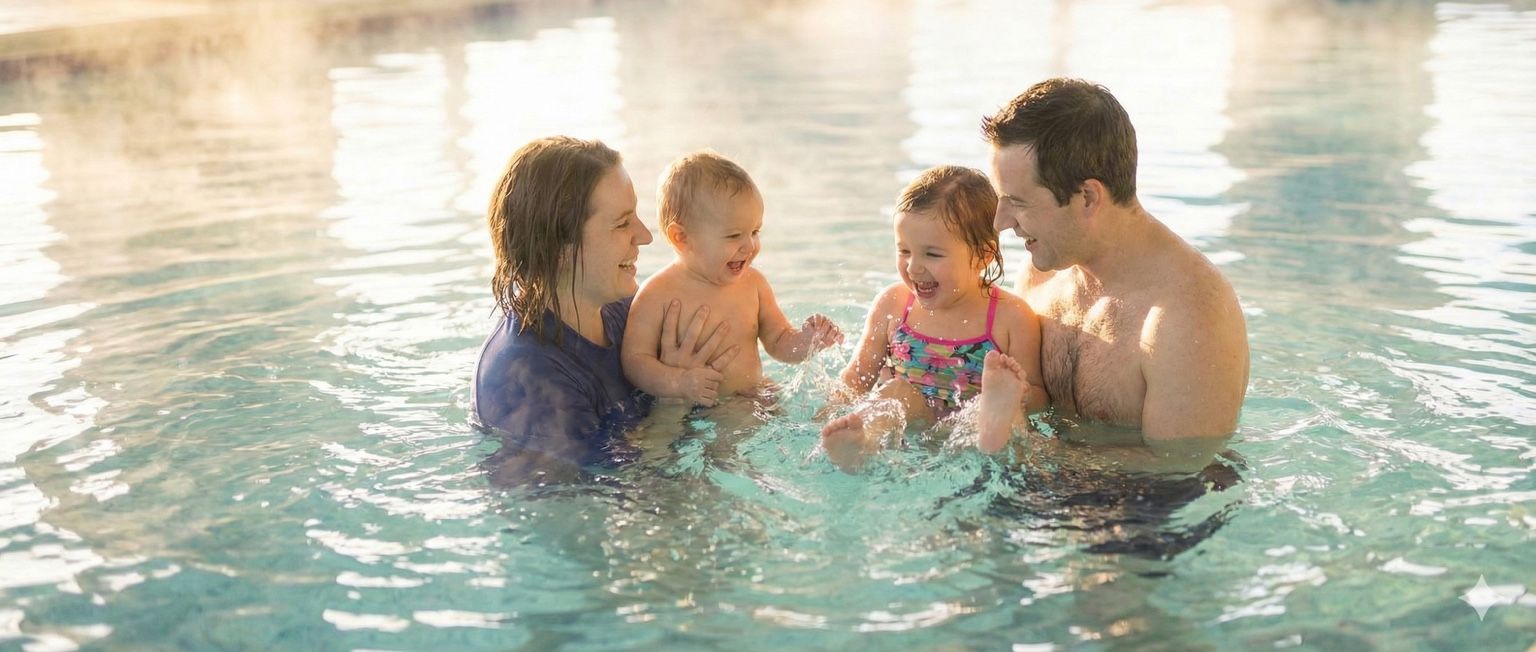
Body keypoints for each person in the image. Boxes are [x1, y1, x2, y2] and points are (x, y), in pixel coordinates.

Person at [983, 78, 1249, 446]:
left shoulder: (1188, 312)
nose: (1001, 222)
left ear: (1088, 197)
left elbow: (1179, 474)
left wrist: (1033, 458)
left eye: (1019, 202)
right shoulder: (1039, 278)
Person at [471, 136, 737, 485]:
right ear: (559, 248)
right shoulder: (524, 378)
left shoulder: (625, 309)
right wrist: (672, 403)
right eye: (622, 223)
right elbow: (613, 495)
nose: (644, 236)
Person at [819, 165, 1048, 471]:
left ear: (983, 256)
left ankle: (993, 426)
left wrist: (1017, 395)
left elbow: (1041, 397)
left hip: (970, 427)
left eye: (932, 254)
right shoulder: (894, 304)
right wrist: (829, 412)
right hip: (910, 430)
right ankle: (863, 442)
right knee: (896, 393)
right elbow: (856, 376)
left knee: (1003, 412)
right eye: (904, 251)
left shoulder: (1010, 317)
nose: (913, 268)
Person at [622, 151, 842, 406]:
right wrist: (678, 382)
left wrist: (807, 342)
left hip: (750, 396)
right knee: (656, 439)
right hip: (687, 403)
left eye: (755, 231)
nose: (749, 246)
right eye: (734, 235)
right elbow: (635, 360)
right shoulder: (657, 294)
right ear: (681, 238)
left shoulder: (754, 284)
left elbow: (778, 340)